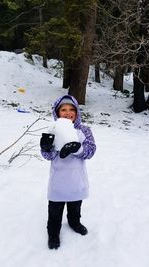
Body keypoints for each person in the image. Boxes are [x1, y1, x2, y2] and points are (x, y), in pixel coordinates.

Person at [40, 95, 96, 250]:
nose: (68, 112)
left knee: (75, 205)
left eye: (72, 109)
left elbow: (91, 151)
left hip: (76, 179)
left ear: (77, 112)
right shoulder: (53, 129)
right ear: (57, 113)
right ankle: (53, 233)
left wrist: (77, 148)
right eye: (63, 109)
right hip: (58, 180)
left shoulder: (84, 131)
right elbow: (48, 156)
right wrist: (46, 147)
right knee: (55, 210)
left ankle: (74, 222)